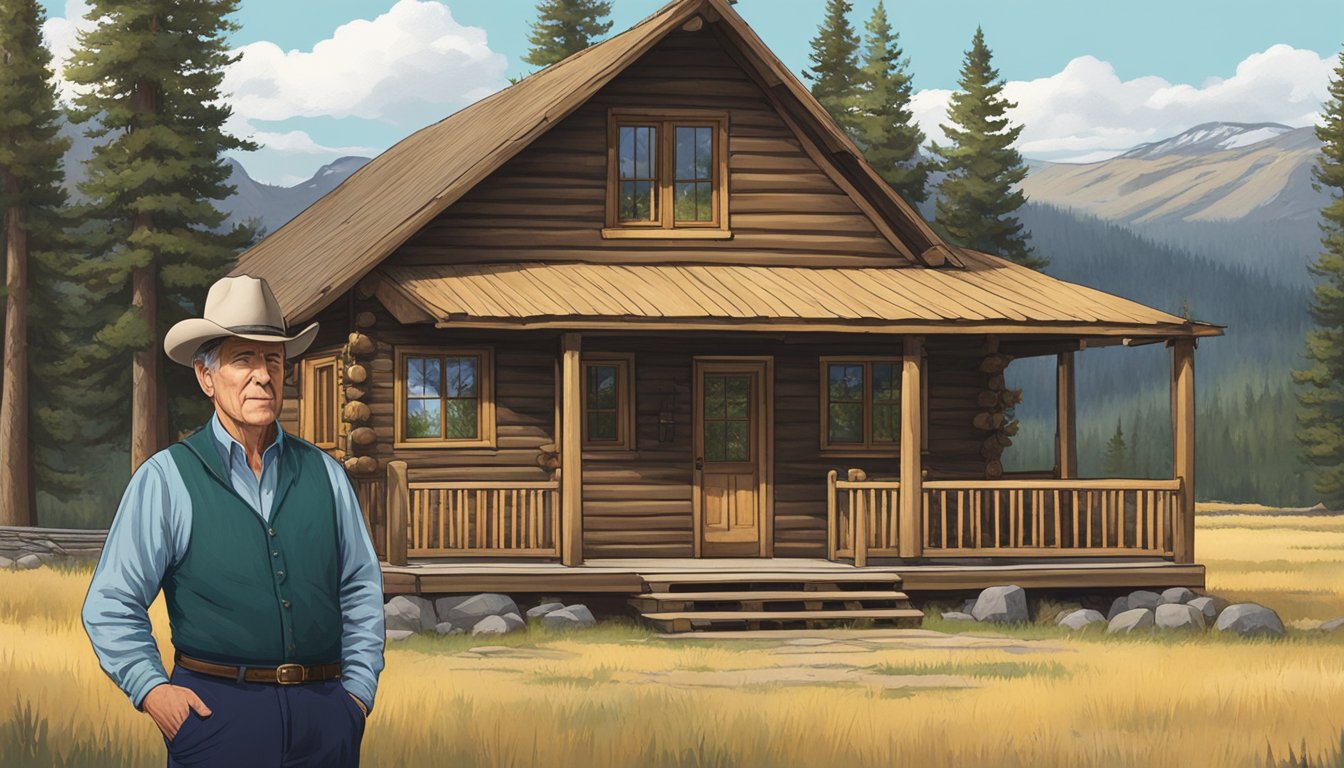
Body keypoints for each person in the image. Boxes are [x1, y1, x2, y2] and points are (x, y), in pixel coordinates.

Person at [81, 274, 386, 767]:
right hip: (216, 716)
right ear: (207, 377)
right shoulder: (166, 478)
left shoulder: (326, 475)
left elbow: (360, 589)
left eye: (273, 360)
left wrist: (355, 697)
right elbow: (110, 603)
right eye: (243, 359)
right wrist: (154, 692)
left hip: (326, 717)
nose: (262, 376)